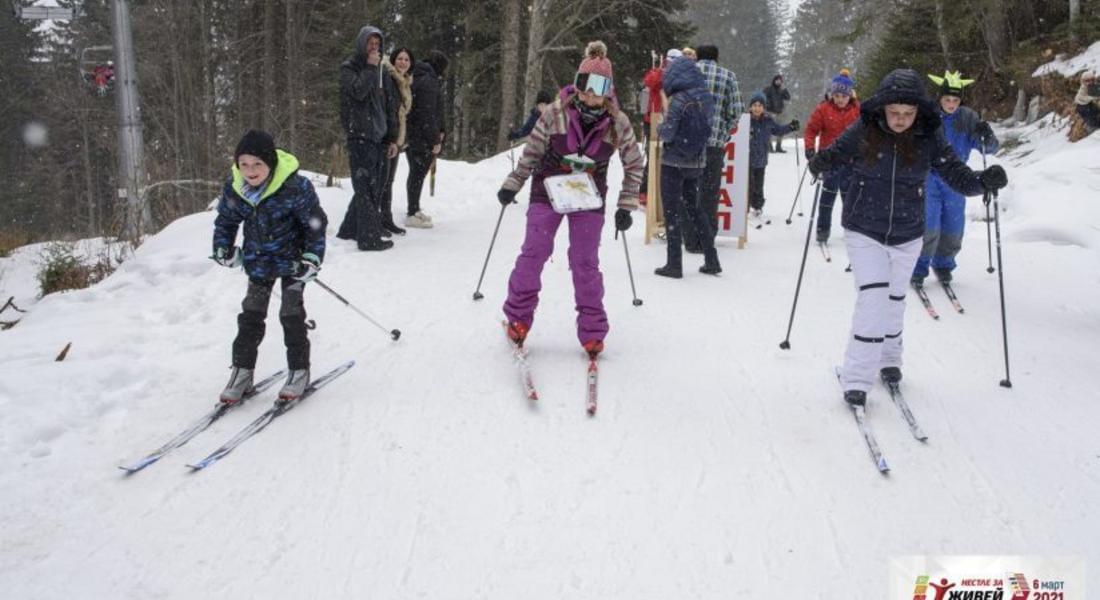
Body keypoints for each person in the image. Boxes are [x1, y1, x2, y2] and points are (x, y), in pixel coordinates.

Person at [808, 68, 1007, 407]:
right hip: (863, 227)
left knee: (895, 298)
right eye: (894, 112)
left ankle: (889, 360)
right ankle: (857, 377)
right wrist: (820, 162)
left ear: (919, 111)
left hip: (907, 230)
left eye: (908, 113)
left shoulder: (929, 135)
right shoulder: (866, 128)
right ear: (883, 107)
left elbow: (955, 174)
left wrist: (982, 182)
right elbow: (837, 151)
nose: (900, 120)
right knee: (873, 298)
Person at [497, 41, 644, 356]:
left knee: (584, 261)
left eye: (599, 87)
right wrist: (513, 183)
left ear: (608, 89)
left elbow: (634, 163)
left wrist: (626, 204)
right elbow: (532, 153)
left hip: (588, 196)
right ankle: (518, 318)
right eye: (584, 85)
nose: (591, 95)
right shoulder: (555, 113)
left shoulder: (618, 122)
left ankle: (592, 331)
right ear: (576, 85)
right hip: (548, 189)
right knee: (534, 252)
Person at [212, 130, 328, 404]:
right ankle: (241, 373)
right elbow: (226, 221)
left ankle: (299, 371)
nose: (250, 171)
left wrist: (312, 258)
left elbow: (315, 224)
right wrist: (223, 248)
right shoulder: (236, 188)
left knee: (290, 314)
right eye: (244, 164)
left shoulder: (295, 187)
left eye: (257, 164)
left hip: (293, 263)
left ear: (270, 163)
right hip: (258, 261)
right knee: (251, 316)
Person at [911, 71, 1000, 286]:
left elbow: (991, 148)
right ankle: (919, 267)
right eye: (947, 99)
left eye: (956, 100)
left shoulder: (968, 117)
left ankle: (943, 264)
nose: (951, 104)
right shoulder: (928, 115)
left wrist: (986, 135)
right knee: (929, 224)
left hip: (956, 178)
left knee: (953, 226)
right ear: (939, 98)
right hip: (929, 177)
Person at [654, 54, 720, 278]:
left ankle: (674, 264)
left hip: (673, 163)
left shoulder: (679, 99)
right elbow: (709, 128)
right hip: (697, 162)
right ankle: (711, 259)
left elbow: (669, 132)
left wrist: (660, 128)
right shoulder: (707, 97)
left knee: (672, 213)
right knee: (696, 209)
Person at [336, 25, 399, 251]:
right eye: (370, 43)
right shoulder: (349, 68)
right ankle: (368, 238)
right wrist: (370, 69)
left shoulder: (384, 72)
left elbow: (390, 106)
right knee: (364, 187)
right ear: (362, 44)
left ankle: (349, 229)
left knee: (375, 186)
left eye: (377, 44)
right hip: (359, 135)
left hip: (380, 137)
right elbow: (357, 92)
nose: (374, 48)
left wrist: (392, 138)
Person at [683, 44, 744, 253]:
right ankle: (706, 239)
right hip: (713, 145)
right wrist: (723, 133)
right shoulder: (728, 77)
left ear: (697, 56)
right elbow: (736, 111)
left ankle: (689, 239)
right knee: (710, 193)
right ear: (717, 58)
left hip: (687, 144)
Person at [804, 73, 860, 243]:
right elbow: (811, 130)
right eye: (836, 96)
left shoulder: (858, 110)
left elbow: (867, 132)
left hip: (851, 161)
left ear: (849, 95)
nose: (840, 99)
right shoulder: (823, 109)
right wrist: (810, 149)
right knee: (827, 197)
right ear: (832, 95)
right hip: (829, 161)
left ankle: (852, 230)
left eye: (843, 96)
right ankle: (823, 230)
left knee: (850, 198)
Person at [404, 50, 448, 229]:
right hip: (421, 137)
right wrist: (435, 140)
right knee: (417, 173)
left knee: (415, 172)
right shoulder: (428, 81)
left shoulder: (418, 76)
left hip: (413, 134)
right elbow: (429, 113)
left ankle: (413, 209)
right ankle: (412, 211)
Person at [379, 47, 415, 237]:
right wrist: (391, 139)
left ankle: (386, 218)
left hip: (397, 137)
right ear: (393, 61)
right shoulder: (390, 79)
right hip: (388, 137)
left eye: (406, 60)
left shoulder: (405, 82)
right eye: (399, 59)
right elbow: (390, 111)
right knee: (383, 181)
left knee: (389, 180)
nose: (403, 62)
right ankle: (380, 219)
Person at [747, 91, 799, 216]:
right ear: (750, 107)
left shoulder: (767, 120)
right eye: (754, 105)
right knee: (748, 185)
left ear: (764, 108)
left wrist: (791, 127)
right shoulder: (745, 120)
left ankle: (757, 207)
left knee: (758, 186)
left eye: (760, 105)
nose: (757, 108)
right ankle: (744, 207)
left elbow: (778, 130)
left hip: (761, 160)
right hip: (747, 160)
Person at [764, 74, 791, 152]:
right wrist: (769, 110)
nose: (778, 82)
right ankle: (770, 147)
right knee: (768, 130)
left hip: (779, 113)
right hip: (770, 113)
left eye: (780, 81)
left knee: (781, 130)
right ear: (774, 80)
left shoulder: (781, 90)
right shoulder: (768, 89)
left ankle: (778, 147)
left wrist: (785, 89)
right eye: (777, 80)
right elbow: (764, 99)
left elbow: (788, 97)